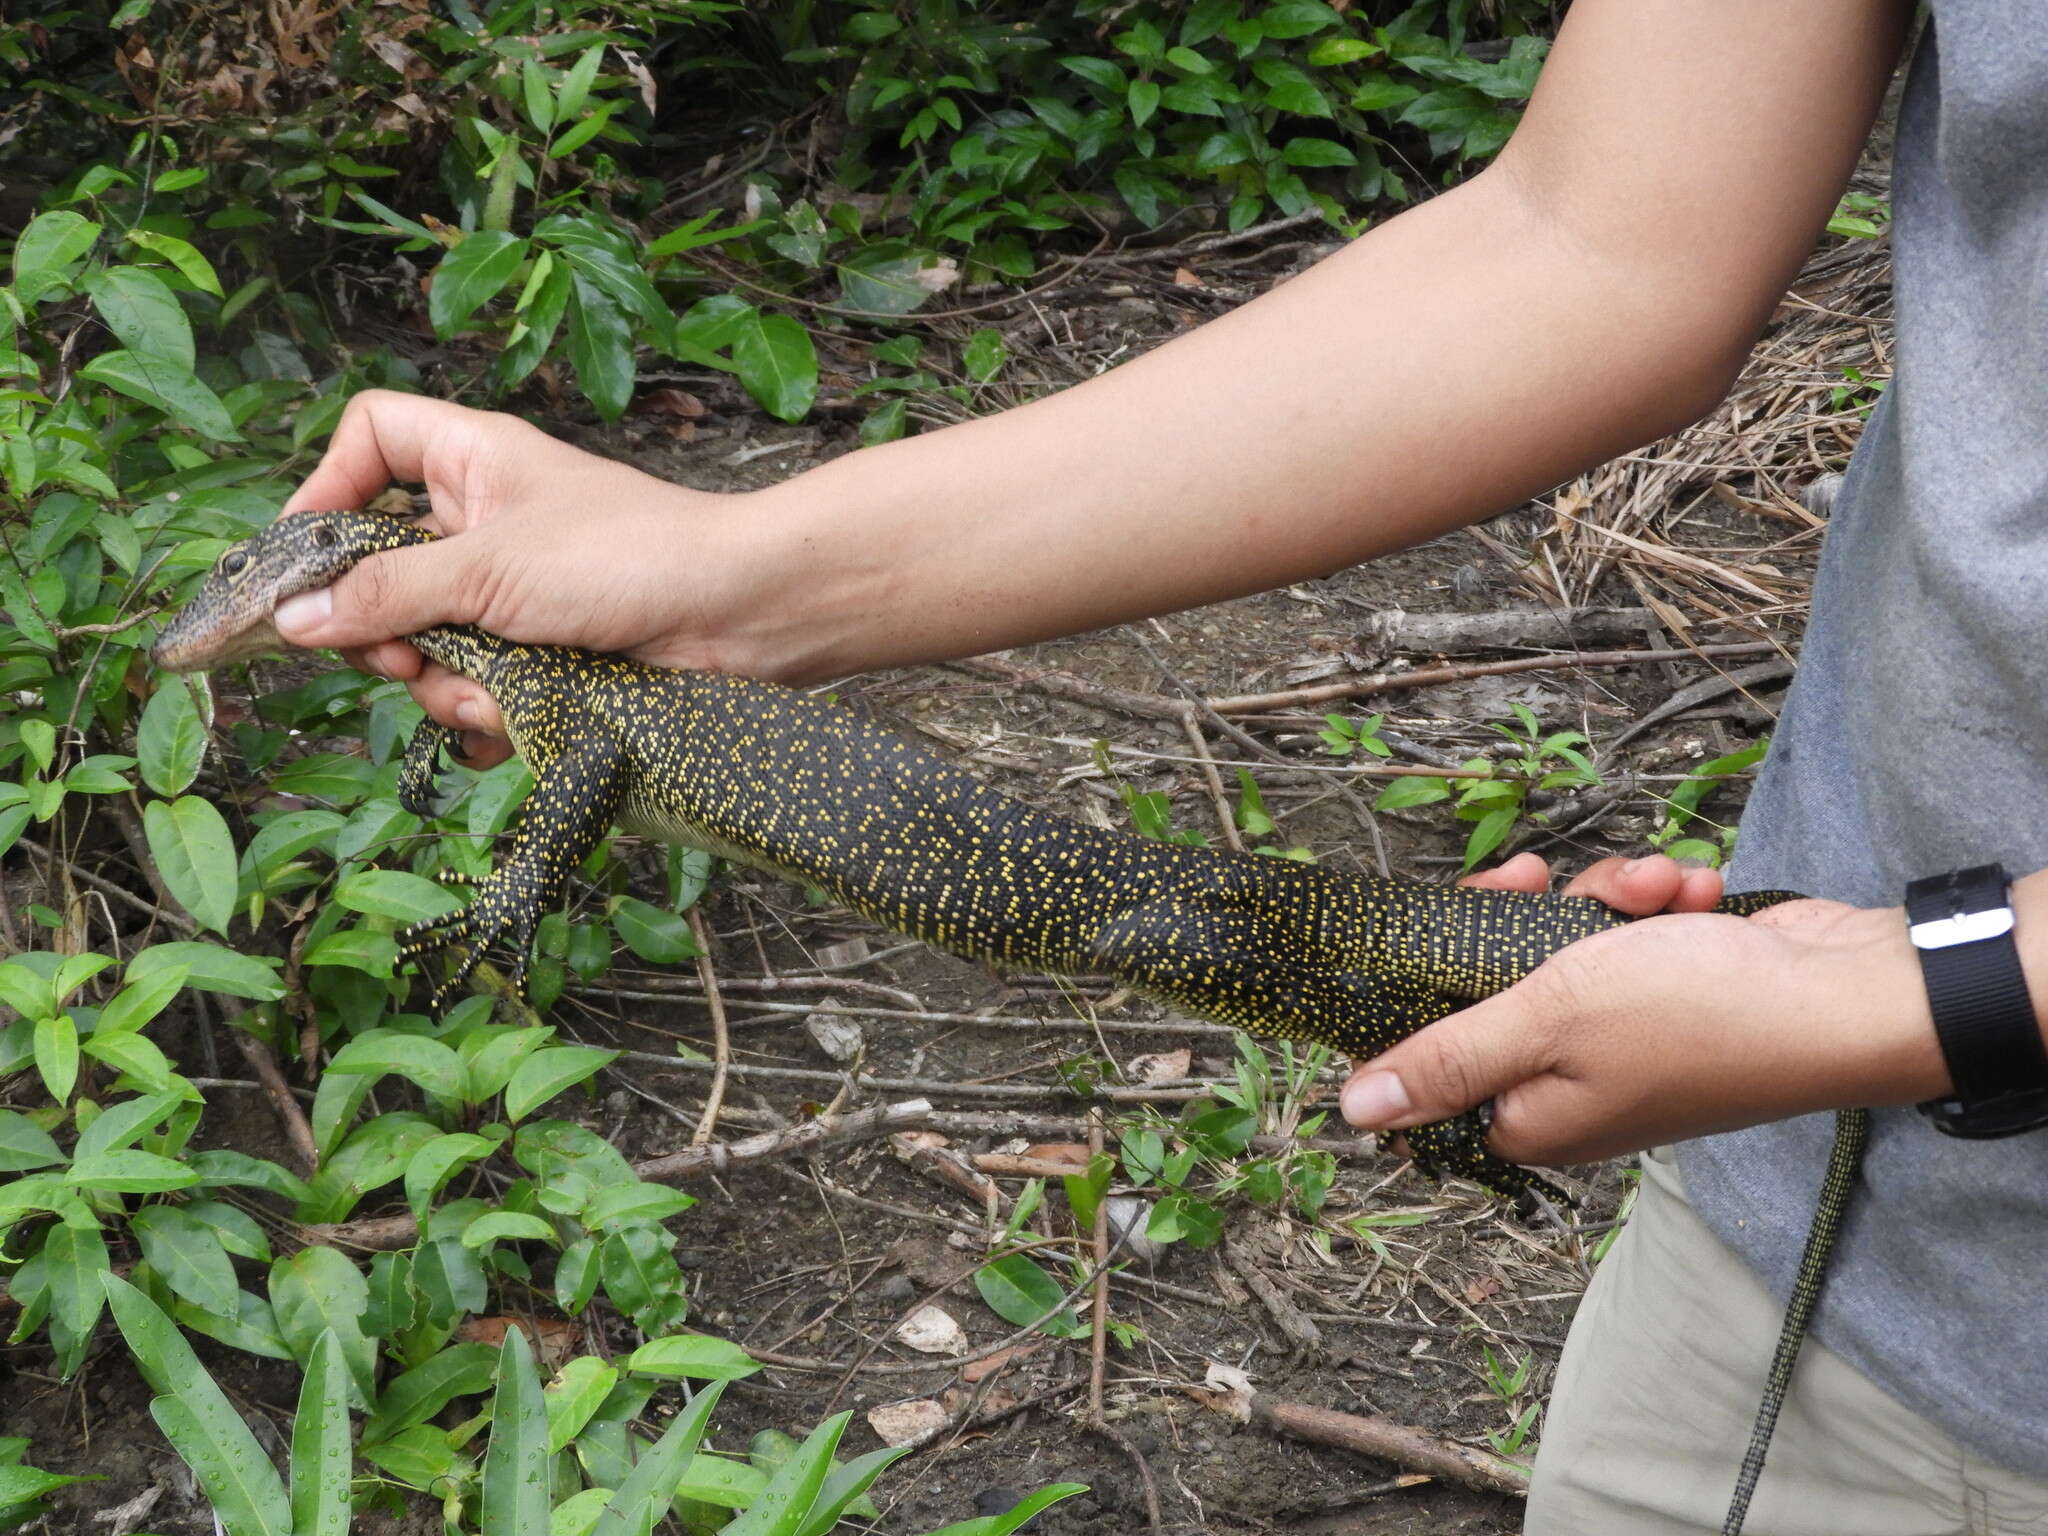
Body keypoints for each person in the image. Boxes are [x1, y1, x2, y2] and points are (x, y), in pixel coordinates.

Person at [268, 1, 2048, 1529]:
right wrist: (736, 570)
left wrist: (1919, 994)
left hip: (1850, 1058)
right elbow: (1600, 241)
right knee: (1283, 941)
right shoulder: (577, 683)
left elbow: (571, 798)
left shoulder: (576, 723)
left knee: (1251, 942)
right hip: (1812, 1183)